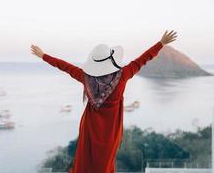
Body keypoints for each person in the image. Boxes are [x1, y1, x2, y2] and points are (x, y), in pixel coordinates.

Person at [30, 30, 177, 173]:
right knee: (104, 163)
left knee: (86, 160)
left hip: (89, 127)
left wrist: (43, 55)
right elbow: (143, 59)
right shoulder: (123, 75)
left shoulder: (85, 77)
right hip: (110, 130)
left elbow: (64, 66)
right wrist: (161, 43)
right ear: (111, 60)